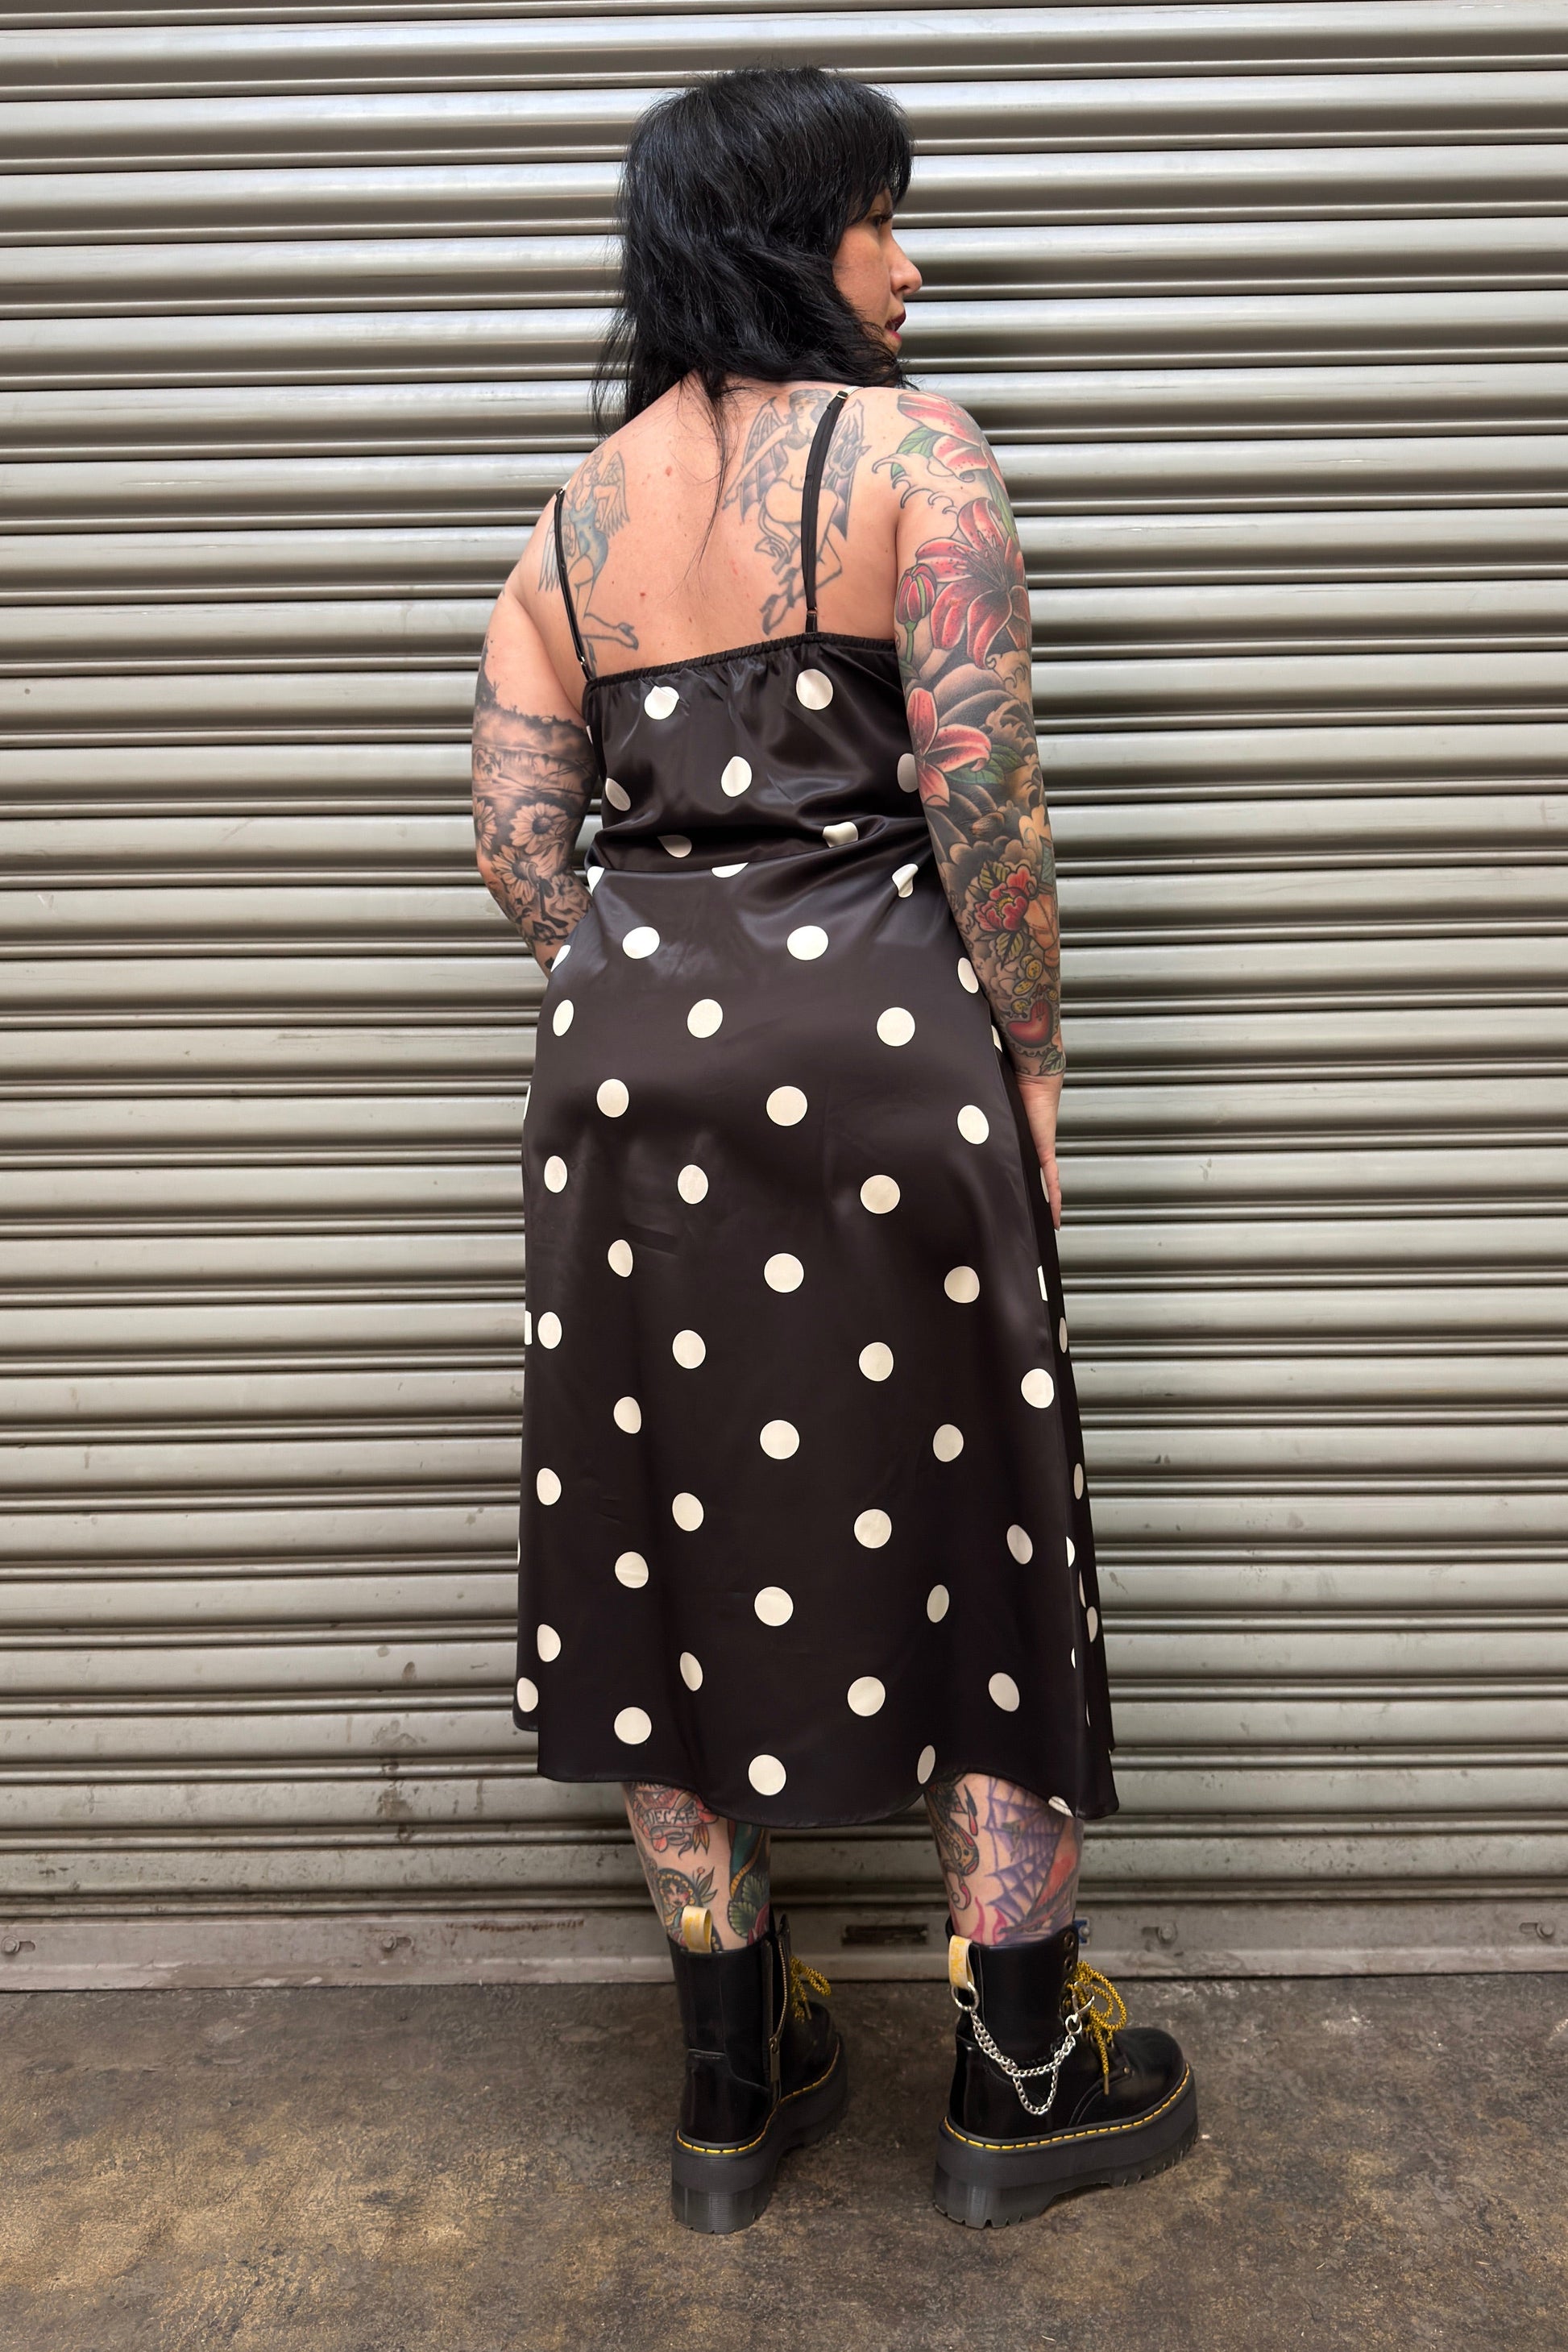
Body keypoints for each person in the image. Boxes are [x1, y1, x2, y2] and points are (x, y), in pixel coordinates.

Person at [471, 64, 1196, 2235]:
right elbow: (985, 803)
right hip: (890, 1062)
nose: (910, 259)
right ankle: (1010, 2073)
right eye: (881, 217)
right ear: (791, 236)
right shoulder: (916, 459)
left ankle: (729, 2077)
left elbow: (514, 833)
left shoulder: (578, 513)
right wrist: (1030, 1069)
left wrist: (661, 971)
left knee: (649, 1541)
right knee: (981, 1534)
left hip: (628, 1084)